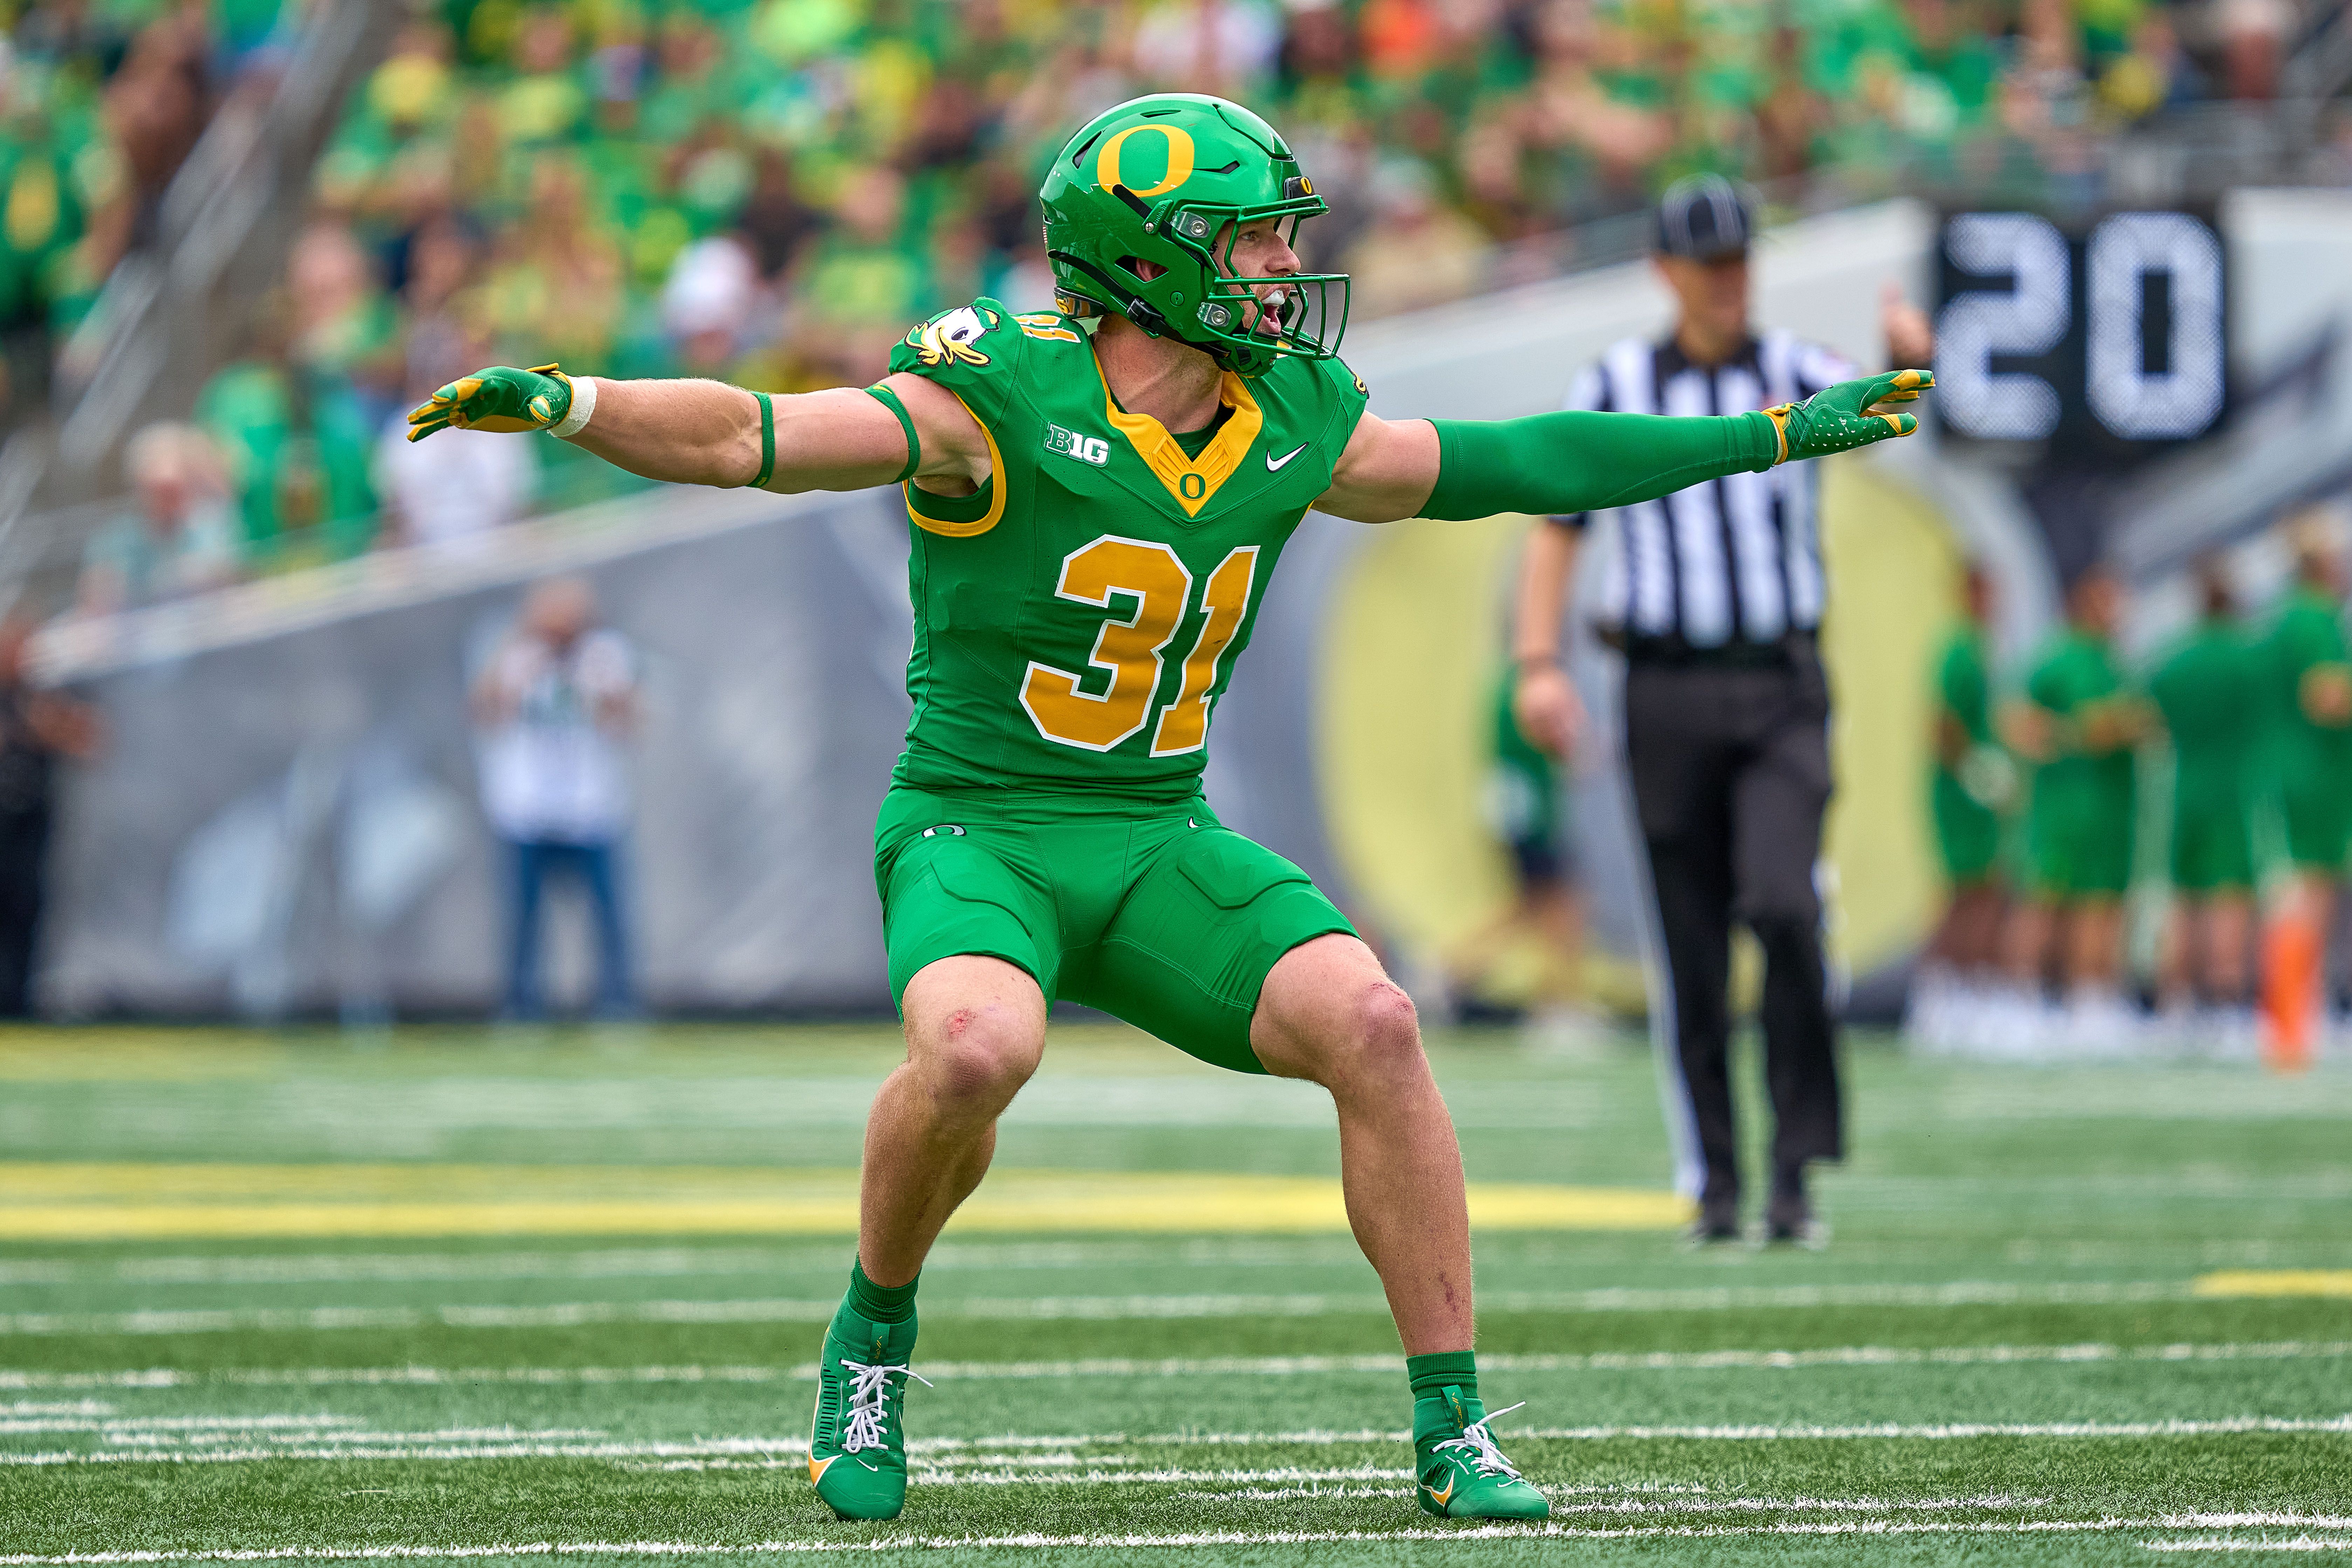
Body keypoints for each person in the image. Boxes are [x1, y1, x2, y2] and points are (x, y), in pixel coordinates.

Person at [406, 92, 1931, 1525]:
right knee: (974, 1049)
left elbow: (1510, 462)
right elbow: (758, 437)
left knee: (1380, 1026)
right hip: (978, 826)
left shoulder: (1290, 415)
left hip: (1153, 834)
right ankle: (870, 1339)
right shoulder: (995, 391)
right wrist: (576, 400)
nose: (1284, 269)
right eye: (1255, 240)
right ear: (1153, 261)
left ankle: (1452, 1428)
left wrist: (1771, 431)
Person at [1508, 174, 1936, 1246]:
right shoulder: (1616, 381)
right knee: (1689, 942)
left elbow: (1883, 404)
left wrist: (1912, 359)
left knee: (1785, 905)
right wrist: (1536, 662)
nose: (1727, 282)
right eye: (1709, 264)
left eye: (1741, 260)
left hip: (1781, 683)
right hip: (1664, 685)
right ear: (1666, 272)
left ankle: (1797, 1166)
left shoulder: (1792, 368)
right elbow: (1559, 521)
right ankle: (1716, 1173)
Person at [471, 576, 639, 1022]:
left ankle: (616, 1005)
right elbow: (485, 713)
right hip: (527, 809)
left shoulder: (605, 656)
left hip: (590, 808)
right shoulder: (516, 656)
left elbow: (629, 722)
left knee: (610, 918)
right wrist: (520, 662)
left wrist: (601, 685)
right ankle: (521, 1007)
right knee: (522, 921)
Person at [2001, 564, 2150, 1048]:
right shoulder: (2059, 657)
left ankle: (2091, 1003)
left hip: (2109, 808)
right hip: (2064, 807)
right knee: (2045, 902)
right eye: (2108, 599)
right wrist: (2080, 734)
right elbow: (2017, 721)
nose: (2119, 610)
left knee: (2101, 905)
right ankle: (2018, 1003)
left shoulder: (2110, 659)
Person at [2147, 558, 2262, 1045]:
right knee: (2228, 898)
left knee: (2183, 898)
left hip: (2183, 790)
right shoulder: (2245, 660)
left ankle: (2175, 1003)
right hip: (2231, 790)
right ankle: (2224, 1001)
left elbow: (2146, 721)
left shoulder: (2173, 658)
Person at [1446, 660, 1592, 1040]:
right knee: (1560, 908)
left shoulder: (1506, 687)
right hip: (1529, 815)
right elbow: (1551, 749)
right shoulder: (1525, 689)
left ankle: (1455, 968)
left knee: (1534, 908)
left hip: (1519, 812)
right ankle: (1559, 1007)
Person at [2255, 516, 2352, 1067]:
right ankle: (2293, 1026)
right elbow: (2326, 698)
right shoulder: (2314, 620)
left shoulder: (2283, 620)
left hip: (2296, 773)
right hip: (2314, 776)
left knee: (2299, 896)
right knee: (2307, 898)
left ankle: (2293, 1023)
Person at [1909, 564, 2016, 1050]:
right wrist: (1976, 770)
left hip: (1970, 793)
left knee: (1982, 891)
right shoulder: (1958, 649)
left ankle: (1971, 994)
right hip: (1957, 795)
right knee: (1965, 893)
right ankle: (1939, 997)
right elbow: (1941, 725)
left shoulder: (1978, 648)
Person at [0, 612, 100, 1017]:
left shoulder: (40, 699)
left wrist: (41, 728)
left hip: (28, 833)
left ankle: (18, 1005)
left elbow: (89, 741)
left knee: (26, 919)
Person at [75, 423, 239, 616]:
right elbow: (95, 604)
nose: (168, 500)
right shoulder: (114, 543)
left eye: (175, 489)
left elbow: (225, 588)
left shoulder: (213, 528)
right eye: (158, 491)